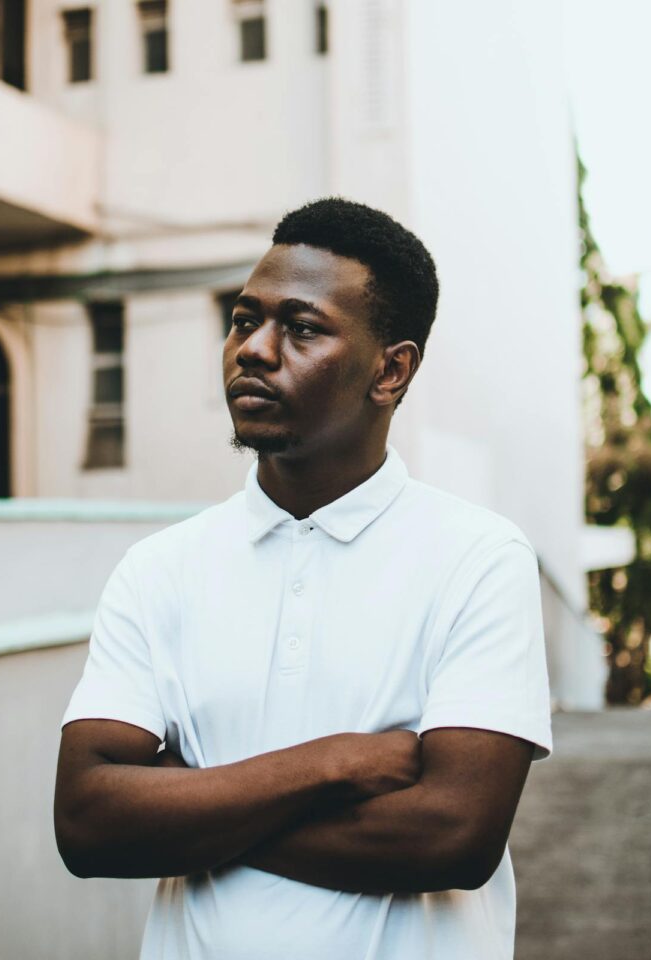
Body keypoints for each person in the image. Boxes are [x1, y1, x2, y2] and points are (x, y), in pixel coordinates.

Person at [54, 196, 552, 960]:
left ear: (391, 370)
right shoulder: (159, 569)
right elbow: (88, 824)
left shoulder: (477, 558)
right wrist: (333, 764)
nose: (254, 349)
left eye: (303, 328)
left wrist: (192, 800)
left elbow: (453, 836)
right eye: (243, 320)